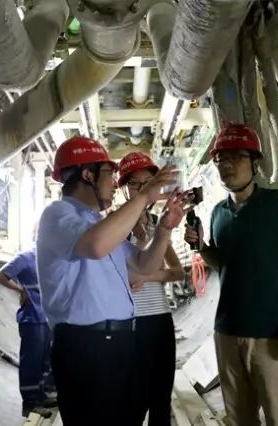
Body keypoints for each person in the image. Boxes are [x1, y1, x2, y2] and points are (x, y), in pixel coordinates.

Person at [36, 136, 188, 426]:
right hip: (85, 346)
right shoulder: (57, 214)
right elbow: (94, 247)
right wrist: (143, 198)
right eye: (109, 173)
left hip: (119, 342)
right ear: (87, 175)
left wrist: (164, 230)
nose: (115, 182)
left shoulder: (98, 223)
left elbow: (142, 266)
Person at [184, 123, 278, 426]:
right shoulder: (218, 213)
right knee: (240, 419)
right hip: (227, 333)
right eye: (221, 159)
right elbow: (224, 263)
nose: (226, 165)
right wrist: (202, 247)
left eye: (235, 157)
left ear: (255, 162)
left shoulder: (277, 204)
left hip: (271, 335)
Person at [118, 152, 186, 426]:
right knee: (133, 401)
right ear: (123, 188)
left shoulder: (158, 225)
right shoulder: (113, 224)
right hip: (128, 323)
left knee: (161, 398)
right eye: (135, 184)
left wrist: (149, 277)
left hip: (159, 320)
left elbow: (178, 271)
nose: (142, 189)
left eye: (148, 182)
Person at [0, 251, 55, 417]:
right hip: (32, 318)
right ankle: (30, 404)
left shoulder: (49, 257)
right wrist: (21, 290)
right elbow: (0, 276)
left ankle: (41, 397)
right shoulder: (25, 258)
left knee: (44, 361)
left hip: (46, 318)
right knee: (32, 362)